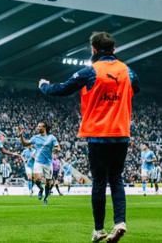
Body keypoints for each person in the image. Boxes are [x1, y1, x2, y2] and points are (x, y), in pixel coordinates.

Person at [38, 31, 141, 242]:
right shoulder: (127, 71)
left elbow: (63, 89)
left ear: (93, 50)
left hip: (98, 134)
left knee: (100, 182)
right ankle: (120, 222)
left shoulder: (91, 71)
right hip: (121, 133)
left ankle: (99, 229)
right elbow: (136, 87)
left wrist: (43, 86)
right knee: (117, 178)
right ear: (114, 50)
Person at [17, 122, 61, 205]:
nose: (37, 128)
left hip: (48, 163)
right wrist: (21, 135)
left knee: (48, 183)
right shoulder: (35, 137)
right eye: (37, 126)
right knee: (37, 179)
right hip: (38, 162)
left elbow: (58, 147)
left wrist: (57, 149)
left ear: (44, 128)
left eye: (39, 126)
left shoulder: (51, 138)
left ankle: (45, 198)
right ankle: (41, 189)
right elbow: (24, 144)